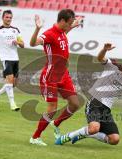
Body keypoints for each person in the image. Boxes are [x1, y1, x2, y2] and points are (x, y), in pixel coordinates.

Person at [29, 9, 83, 146]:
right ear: (63, 21)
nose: (70, 25)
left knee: (75, 104)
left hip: (64, 74)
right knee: (52, 108)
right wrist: (37, 28)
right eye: (69, 23)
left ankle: (55, 124)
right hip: (51, 76)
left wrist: (73, 26)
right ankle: (35, 137)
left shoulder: (62, 32)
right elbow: (33, 43)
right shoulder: (49, 34)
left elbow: (64, 33)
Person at [0, 10, 24, 111]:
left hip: (15, 59)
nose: (9, 19)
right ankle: (12, 104)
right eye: (7, 17)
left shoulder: (15, 30)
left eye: (10, 17)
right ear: (3, 18)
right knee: (9, 81)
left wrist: (18, 42)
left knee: (13, 83)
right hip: (6, 59)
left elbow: (23, 45)